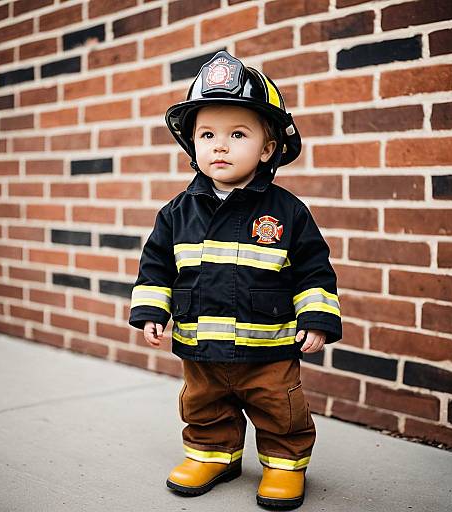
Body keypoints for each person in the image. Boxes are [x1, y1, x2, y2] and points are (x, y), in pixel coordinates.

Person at [128, 50, 341, 509]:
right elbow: (156, 266)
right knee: (204, 407)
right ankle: (214, 455)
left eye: (237, 134)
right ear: (192, 145)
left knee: (280, 411)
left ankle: (285, 467)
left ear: (267, 149)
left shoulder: (287, 213)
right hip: (200, 344)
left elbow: (313, 270)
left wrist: (318, 317)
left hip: (267, 347)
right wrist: (151, 310)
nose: (219, 146)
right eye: (207, 134)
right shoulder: (176, 213)